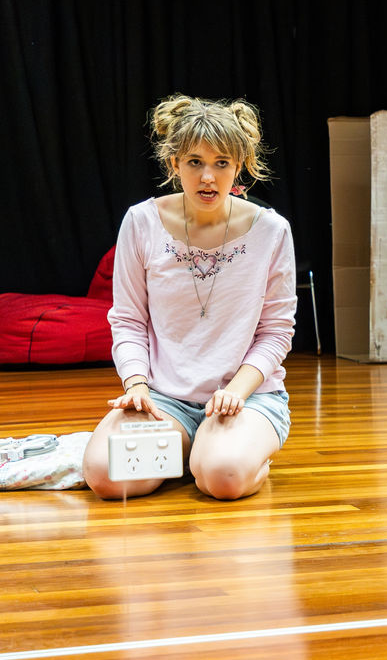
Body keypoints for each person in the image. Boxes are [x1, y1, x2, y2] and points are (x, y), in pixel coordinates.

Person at [83, 94, 297, 500]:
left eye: (221, 163)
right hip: (166, 402)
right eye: (195, 162)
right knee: (105, 476)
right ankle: (193, 449)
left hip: (247, 398)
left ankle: (232, 458)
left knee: (223, 479)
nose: (208, 178)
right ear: (173, 164)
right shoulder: (141, 222)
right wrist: (137, 384)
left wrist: (237, 390)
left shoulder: (272, 231)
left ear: (239, 166)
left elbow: (276, 331)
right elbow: (128, 320)